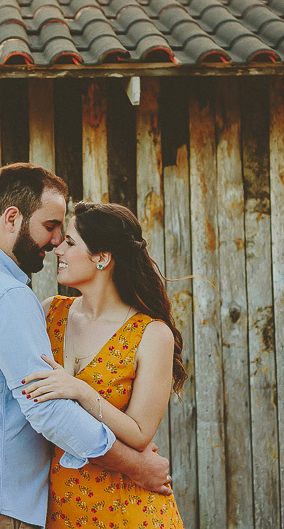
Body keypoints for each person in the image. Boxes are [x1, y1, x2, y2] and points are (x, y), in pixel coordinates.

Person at [0, 164, 172, 529]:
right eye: (52, 228)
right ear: (12, 218)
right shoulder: (10, 295)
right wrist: (137, 466)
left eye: (65, 236)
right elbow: (47, 410)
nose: (55, 243)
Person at [22, 201, 187, 528]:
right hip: (60, 506)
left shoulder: (152, 334)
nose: (58, 249)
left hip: (127, 508)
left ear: (101, 258)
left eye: (70, 243)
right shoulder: (49, 313)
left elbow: (140, 434)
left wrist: (80, 390)